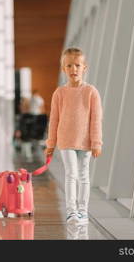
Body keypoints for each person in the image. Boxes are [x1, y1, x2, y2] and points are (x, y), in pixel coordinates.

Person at [45, 47, 103, 224]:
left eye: (77, 65)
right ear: (64, 69)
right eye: (69, 66)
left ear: (84, 68)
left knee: (84, 175)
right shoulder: (59, 93)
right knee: (71, 174)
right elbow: (54, 120)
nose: (73, 69)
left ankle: (83, 210)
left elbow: (96, 119)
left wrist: (96, 142)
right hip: (66, 141)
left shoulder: (91, 92)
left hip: (85, 142)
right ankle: (71, 211)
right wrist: (50, 144)